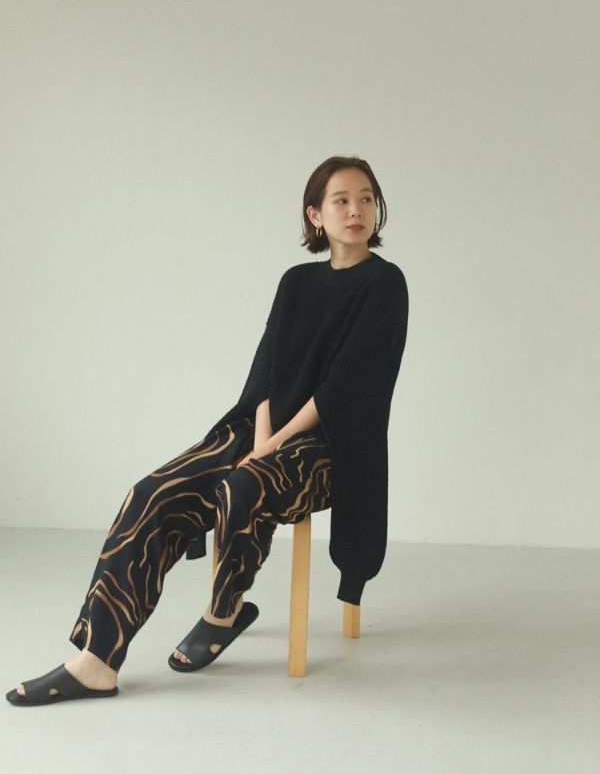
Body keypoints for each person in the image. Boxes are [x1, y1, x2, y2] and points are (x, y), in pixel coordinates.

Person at [6, 155, 409, 706]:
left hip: (331, 446)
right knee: (151, 494)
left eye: (365, 199)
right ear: (315, 215)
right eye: (341, 200)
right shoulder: (295, 283)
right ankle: (96, 660)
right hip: (261, 429)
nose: (356, 210)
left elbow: (343, 389)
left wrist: (271, 448)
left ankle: (224, 613)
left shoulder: (386, 284)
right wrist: (261, 437)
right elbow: (266, 372)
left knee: (244, 485)